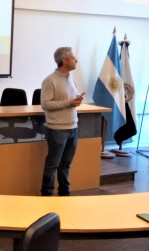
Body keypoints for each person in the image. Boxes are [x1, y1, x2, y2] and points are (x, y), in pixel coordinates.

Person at [40, 47, 85, 196]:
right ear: (64, 61)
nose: (76, 60)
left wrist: (77, 99)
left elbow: (70, 99)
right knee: (52, 165)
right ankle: (47, 195)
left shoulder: (71, 78)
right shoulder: (50, 80)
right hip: (57, 129)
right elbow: (46, 104)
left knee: (66, 164)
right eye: (73, 58)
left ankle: (64, 193)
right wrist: (69, 103)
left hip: (73, 127)